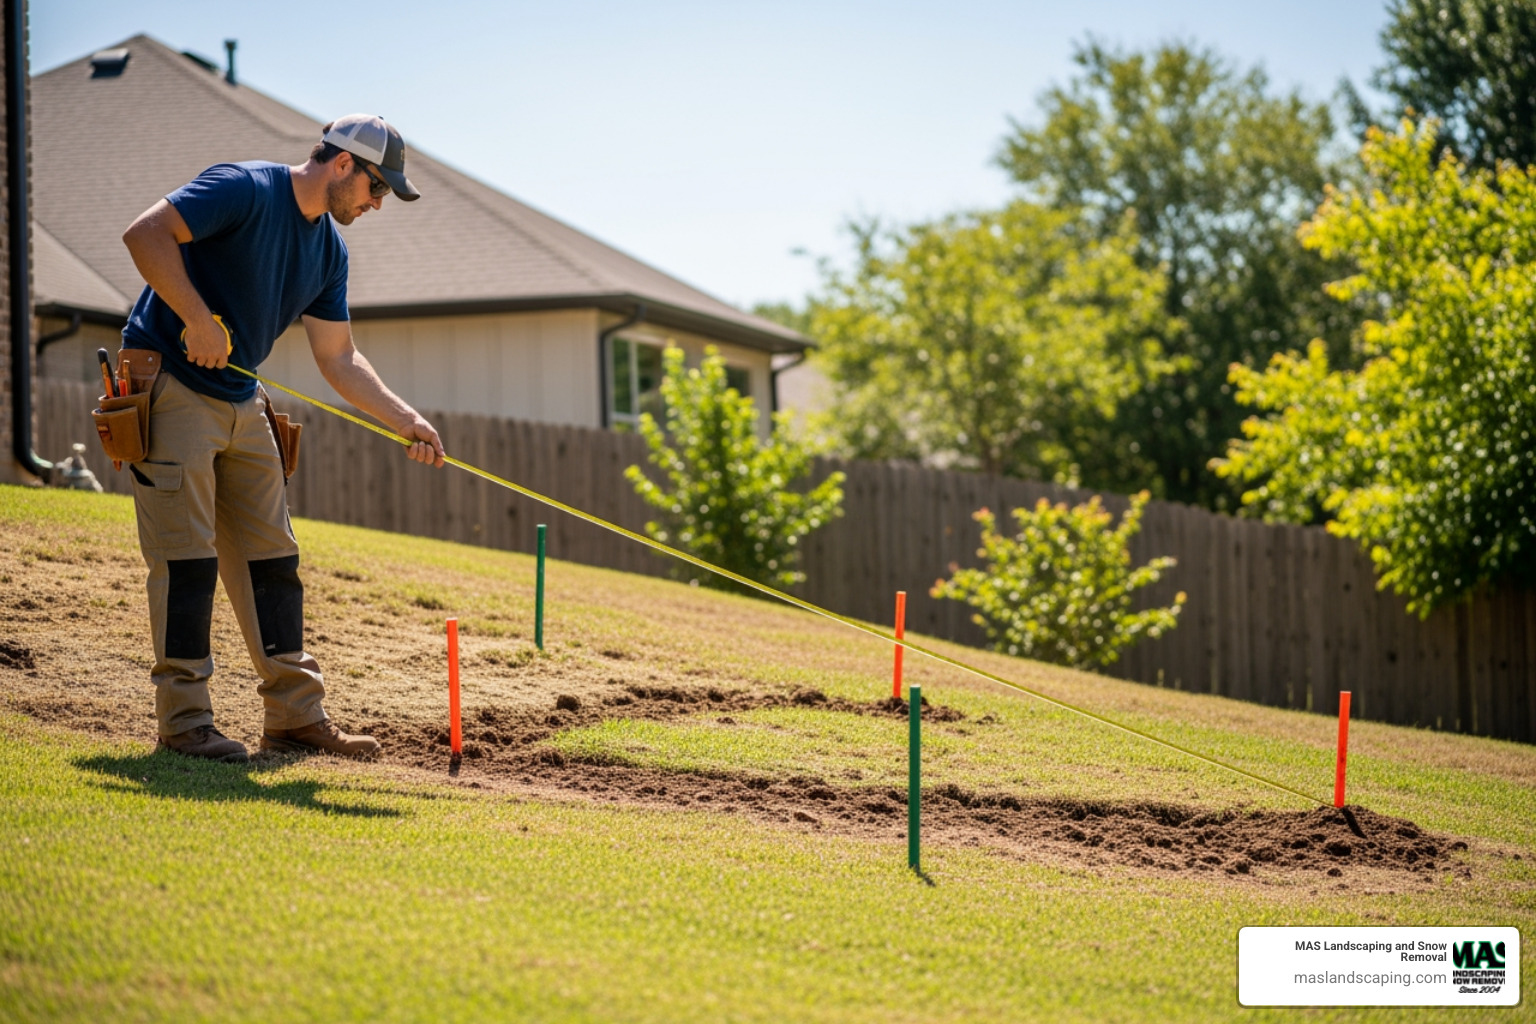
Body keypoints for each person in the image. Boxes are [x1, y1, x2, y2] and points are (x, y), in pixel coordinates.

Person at [119, 114, 445, 763]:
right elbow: (144, 234)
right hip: (171, 382)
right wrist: (195, 318)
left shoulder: (329, 250)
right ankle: (184, 723)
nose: (377, 205)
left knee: (275, 561)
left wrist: (403, 417)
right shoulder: (243, 188)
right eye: (378, 189)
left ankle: (295, 717)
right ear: (345, 164)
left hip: (242, 398)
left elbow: (339, 356)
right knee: (187, 561)